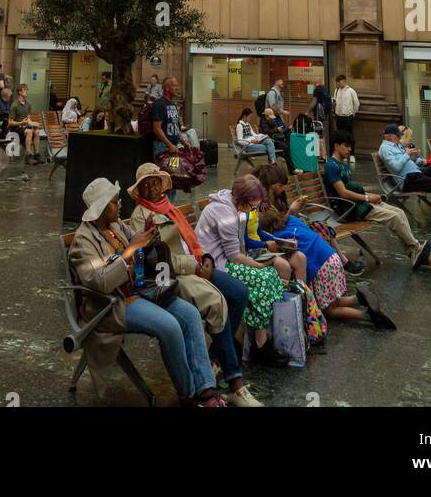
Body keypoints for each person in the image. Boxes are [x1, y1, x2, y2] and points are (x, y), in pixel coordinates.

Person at [68, 177, 225, 407]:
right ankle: (189, 394)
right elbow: (100, 282)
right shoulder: (83, 241)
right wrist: (131, 250)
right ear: (100, 209)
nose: (119, 204)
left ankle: (206, 389)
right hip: (114, 303)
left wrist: (150, 236)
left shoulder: (116, 225)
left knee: (190, 315)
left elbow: (137, 242)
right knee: (170, 327)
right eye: (114, 202)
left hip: (141, 290)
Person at [127, 164, 262, 407]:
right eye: (145, 185)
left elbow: (190, 241)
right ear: (139, 190)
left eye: (155, 182)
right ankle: (235, 382)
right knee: (214, 302)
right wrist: (195, 265)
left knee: (238, 293)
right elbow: (156, 258)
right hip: (170, 276)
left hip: (196, 265)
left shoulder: (169, 208)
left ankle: (215, 359)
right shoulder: (142, 216)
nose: (151, 187)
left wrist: (205, 259)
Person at [196, 174, 293, 366]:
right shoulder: (225, 214)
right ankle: (259, 344)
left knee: (268, 276)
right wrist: (258, 264)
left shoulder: (232, 206)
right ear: (241, 200)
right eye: (252, 207)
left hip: (223, 260)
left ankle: (260, 340)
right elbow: (233, 256)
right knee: (263, 278)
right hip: (213, 265)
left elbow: (238, 247)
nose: (253, 210)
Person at [257, 206, 394, 329]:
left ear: (269, 229)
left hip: (321, 268)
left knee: (329, 311)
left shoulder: (279, 237)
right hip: (332, 257)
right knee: (332, 300)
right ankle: (358, 298)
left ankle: (367, 315)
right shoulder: (291, 219)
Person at [324, 131, 431, 267]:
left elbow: (351, 189)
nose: (349, 149)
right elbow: (343, 193)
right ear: (336, 146)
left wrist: (371, 196)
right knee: (394, 217)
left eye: (350, 146)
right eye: (346, 146)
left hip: (358, 203)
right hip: (349, 209)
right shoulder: (331, 166)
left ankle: (414, 251)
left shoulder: (342, 165)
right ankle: (416, 248)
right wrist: (367, 197)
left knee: (400, 213)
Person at [8, 83, 42, 163]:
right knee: (29, 132)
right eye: (25, 90)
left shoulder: (28, 105)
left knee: (36, 131)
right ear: (20, 92)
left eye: (27, 90)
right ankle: (28, 156)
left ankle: (36, 155)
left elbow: (28, 120)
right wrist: (21, 122)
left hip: (24, 128)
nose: (27, 91)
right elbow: (10, 122)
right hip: (15, 129)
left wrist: (34, 124)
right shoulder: (15, 105)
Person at [262, 107, 293, 172]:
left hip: (277, 139)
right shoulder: (263, 122)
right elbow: (266, 132)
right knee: (286, 148)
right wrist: (277, 129)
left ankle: (292, 168)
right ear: (266, 116)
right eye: (269, 117)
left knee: (288, 147)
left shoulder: (271, 120)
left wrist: (279, 129)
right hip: (270, 141)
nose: (271, 118)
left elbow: (279, 128)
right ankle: (292, 169)